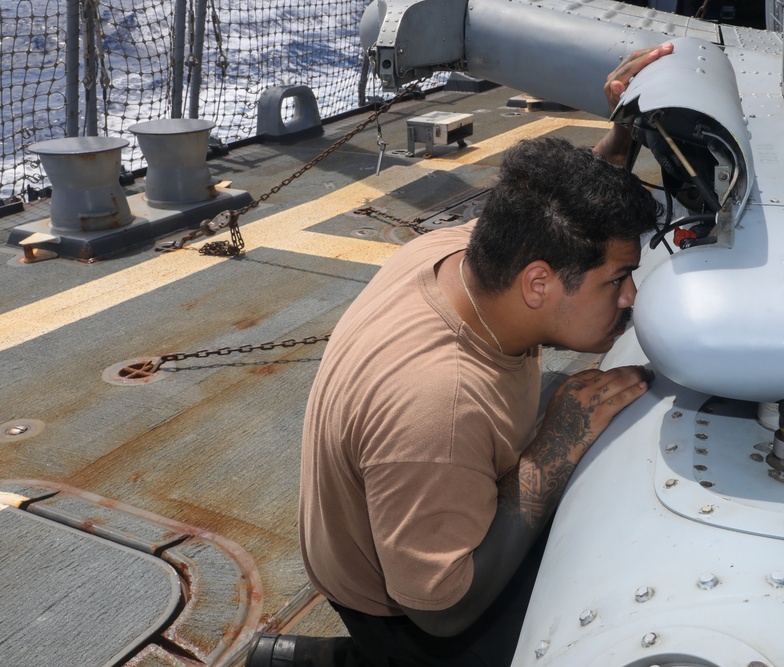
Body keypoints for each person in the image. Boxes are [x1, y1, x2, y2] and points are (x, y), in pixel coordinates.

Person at [247, 43, 673, 667]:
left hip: (395, 529)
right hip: (406, 613)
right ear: (539, 284)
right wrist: (551, 454)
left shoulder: (461, 251)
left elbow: (554, 216)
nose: (632, 296)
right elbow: (443, 611)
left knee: (572, 403)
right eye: (617, 280)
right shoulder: (439, 407)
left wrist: (620, 141)